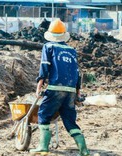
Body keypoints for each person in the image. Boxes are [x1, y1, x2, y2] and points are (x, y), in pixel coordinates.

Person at [30, 19, 90, 156]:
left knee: (43, 114)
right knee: (69, 120)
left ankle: (43, 147)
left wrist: (39, 86)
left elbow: (45, 66)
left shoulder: (49, 46)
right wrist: (78, 92)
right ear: (63, 35)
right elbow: (77, 72)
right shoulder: (71, 50)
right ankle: (84, 150)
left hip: (55, 88)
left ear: (50, 34)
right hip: (70, 91)